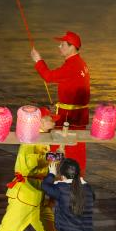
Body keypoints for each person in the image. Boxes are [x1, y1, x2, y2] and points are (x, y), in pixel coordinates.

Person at [31, 31, 90, 169]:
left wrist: (38, 60)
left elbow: (48, 76)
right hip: (78, 115)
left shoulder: (71, 66)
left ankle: (54, 172)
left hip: (69, 116)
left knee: (60, 145)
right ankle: (77, 174)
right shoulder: (80, 63)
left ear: (72, 47)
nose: (59, 46)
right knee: (77, 147)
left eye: (62, 44)